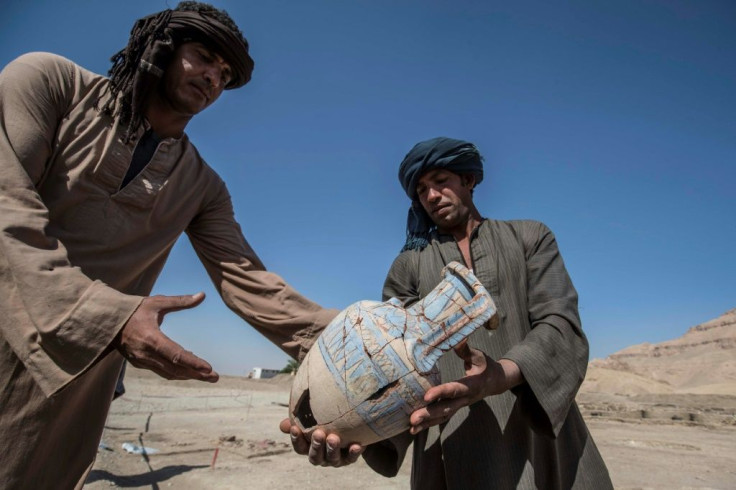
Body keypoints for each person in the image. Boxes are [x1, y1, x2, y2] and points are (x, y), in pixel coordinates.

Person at [0, 2, 336, 488]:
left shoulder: (201, 185)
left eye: (224, 74)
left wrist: (351, 336)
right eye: (202, 56)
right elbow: (8, 204)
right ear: (161, 46)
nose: (213, 78)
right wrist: (109, 315)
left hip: (70, 382)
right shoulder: (50, 83)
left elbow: (250, 283)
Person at [284, 137, 612, 488]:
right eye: (422, 190)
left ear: (468, 180)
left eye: (441, 181)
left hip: (535, 429)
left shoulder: (530, 237)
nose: (431, 196)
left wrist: (498, 376)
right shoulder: (409, 264)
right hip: (448, 439)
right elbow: (389, 367)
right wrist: (355, 434)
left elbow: (559, 323)